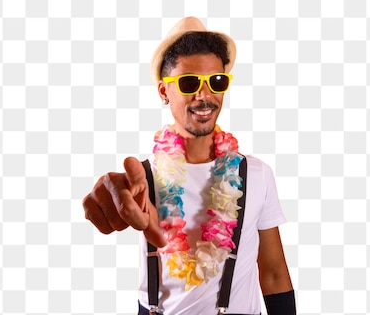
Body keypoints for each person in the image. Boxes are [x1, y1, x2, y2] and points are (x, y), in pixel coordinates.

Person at [82, 17, 296, 315]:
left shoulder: (256, 174)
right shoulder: (141, 178)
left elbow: (273, 273)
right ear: (163, 91)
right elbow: (110, 198)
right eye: (189, 82)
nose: (204, 95)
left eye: (216, 82)